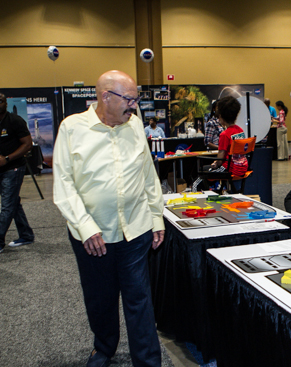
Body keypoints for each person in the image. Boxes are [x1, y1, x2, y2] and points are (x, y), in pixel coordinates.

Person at [53, 70, 165, 367]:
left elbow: (148, 177)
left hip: (136, 229)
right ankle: (103, 348)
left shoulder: (136, 126)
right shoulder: (72, 128)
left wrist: (156, 217)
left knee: (139, 299)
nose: (134, 106)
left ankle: (148, 360)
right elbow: (63, 184)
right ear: (105, 96)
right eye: (129, 99)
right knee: (100, 299)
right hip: (93, 236)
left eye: (136, 99)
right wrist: (85, 227)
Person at [0, 93, 34, 253]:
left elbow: (27, 144)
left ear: (6, 103)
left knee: (7, 205)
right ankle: (26, 235)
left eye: (0, 101)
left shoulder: (15, 121)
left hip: (13, 168)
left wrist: (7, 158)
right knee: (13, 202)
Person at [192, 96, 247, 192]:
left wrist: (215, 164)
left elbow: (220, 159)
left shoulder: (224, 135)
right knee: (206, 169)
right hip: (242, 167)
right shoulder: (240, 130)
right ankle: (215, 192)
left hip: (230, 169)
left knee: (199, 179)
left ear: (221, 116)